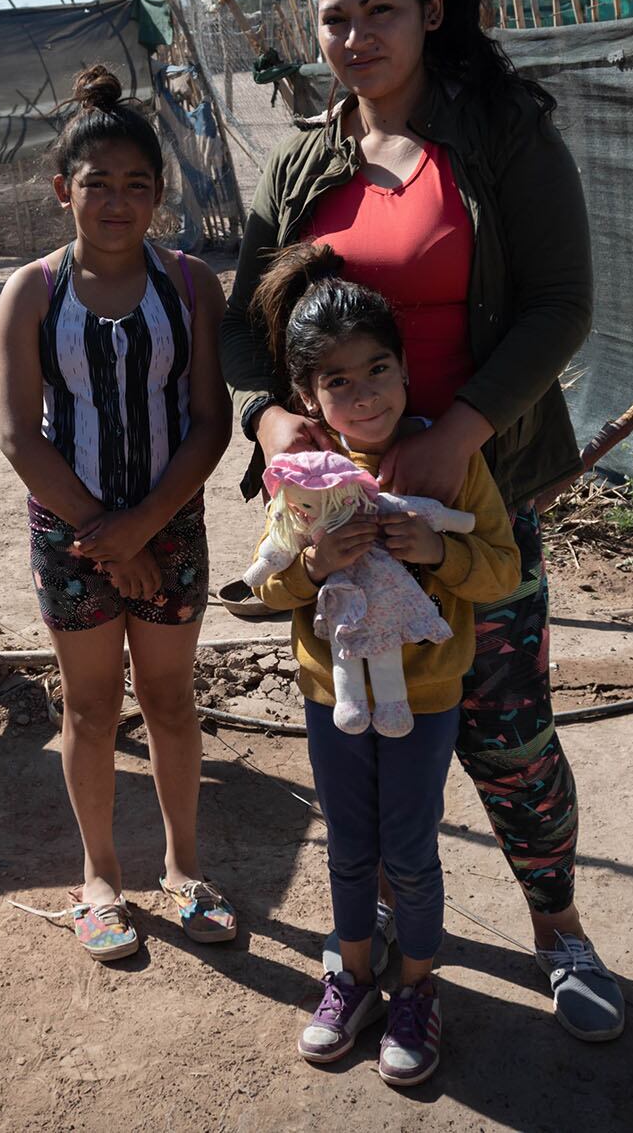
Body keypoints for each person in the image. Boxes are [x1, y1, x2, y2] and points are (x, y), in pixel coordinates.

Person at [220, 0, 626, 1042]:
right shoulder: (305, 158)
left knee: (502, 729)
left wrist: (459, 431)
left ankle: (559, 934)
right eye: (334, 17)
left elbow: (560, 301)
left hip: (469, 494)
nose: (353, 37)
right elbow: (241, 325)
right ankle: (391, 965)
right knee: (363, 740)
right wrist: (265, 425)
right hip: (342, 510)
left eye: (379, 11)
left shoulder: (498, 132)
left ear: (433, 11)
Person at [248, 254, 521, 1085]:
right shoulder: (300, 480)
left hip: (427, 698)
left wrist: (439, 548)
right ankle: (352, 977)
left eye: (378, 370)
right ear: (306, 397)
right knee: (348, 848)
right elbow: (267, 578)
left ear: (405, 368)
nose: (364, 395)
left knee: (409, 848)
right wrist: (319, 562)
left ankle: (417, 987)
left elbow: (502, 570)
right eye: (337, 382)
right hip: (333, 696)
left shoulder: (447, 461)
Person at [0, 64, 235, 962]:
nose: (118, 202)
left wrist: (142, 529)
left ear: (159, 195)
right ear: (65, 191)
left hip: (168, 524)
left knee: (172, 702)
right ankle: (99, 880)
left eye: (138, 185)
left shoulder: (190, 286)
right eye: (98, 184)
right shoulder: (32, 292)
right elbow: (21, 438)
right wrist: (105, 533)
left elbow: (210, 423)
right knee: (91, 709)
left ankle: (182, 870)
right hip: (70, 532)